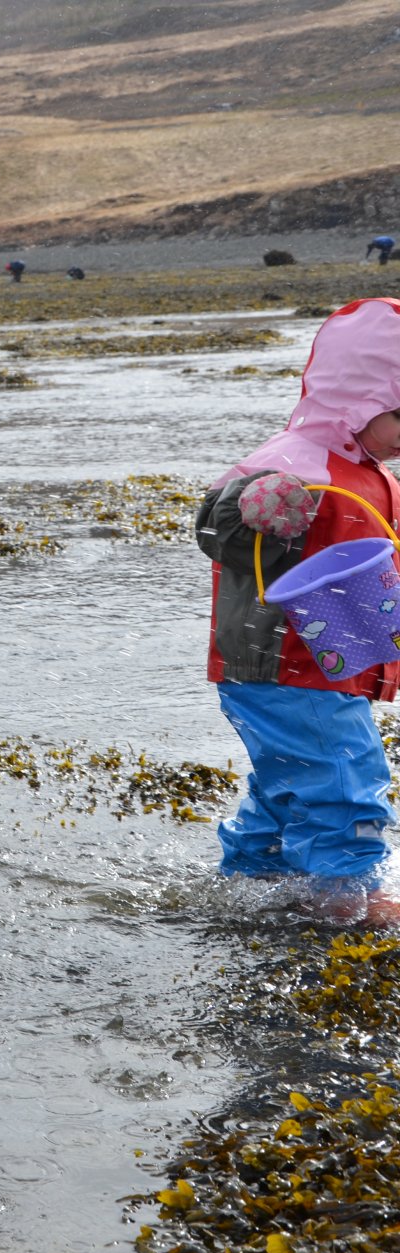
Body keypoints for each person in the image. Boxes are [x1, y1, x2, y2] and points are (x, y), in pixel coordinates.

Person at [194, 297, 400, 923]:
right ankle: (345, 896)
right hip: (283, 661)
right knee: (344, 771)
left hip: (331, 661)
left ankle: (254, 878)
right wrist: (256, 509)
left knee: (289, 777)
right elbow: (215, 525)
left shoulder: (368, 470)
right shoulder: (293, 461)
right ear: (357, 402)